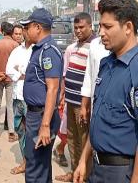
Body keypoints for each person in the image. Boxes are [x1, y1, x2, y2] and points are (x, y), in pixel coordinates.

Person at [74, 0, 138, 183]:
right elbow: (98, 119)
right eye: (100, 26)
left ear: (128, 27)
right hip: (97, 167)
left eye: (108, 27)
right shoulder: (105, 64)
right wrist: (84, 160)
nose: (101, 32)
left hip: (121, 172)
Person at [20, 8, 62, 183]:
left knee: (34, 168)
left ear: (37, 27)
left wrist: (44, 125)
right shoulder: (39, 49)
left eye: (27, 26)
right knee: (41, 167)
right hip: (36, 114)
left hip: (41, 117)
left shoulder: (48, 51)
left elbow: (52, 88)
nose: (25, 31)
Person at [55, 12, 96, 182]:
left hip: (84, 104)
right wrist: (63, 95)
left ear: (90, 27)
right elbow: (65, 74)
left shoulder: (96, 47)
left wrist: (87, 105)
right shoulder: (72, 48)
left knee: (85, 139)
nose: (78, 31)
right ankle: (74, 172)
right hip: (70, 102)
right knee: (71, 138)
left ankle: (85, 175)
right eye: (76, 28)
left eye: (81, 27)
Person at [6, 22, 34, 175]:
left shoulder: (37, 51)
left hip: (30, 98)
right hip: (18, 96)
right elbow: (9, 70)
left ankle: (30, 163)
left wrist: (23, 72)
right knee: (20, 129)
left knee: (32, 132)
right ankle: (26, 160)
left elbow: (33, 73)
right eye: (24, 29)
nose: (25, 32)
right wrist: (21, 74)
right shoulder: (17, 50)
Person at [0, 21, 18, 141]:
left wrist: (0, 72)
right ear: (11, 32)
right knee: (10, 105)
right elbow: (17, 64)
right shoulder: (15, 45)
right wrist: (6, 73)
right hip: (10, 78)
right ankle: (11, 132)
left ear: (1, 30)